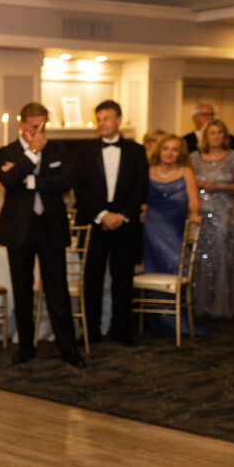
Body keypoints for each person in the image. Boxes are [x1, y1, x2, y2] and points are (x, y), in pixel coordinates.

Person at [0, 102, 85, 368]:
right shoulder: (5, 152)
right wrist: (32, 154)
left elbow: (66, 180)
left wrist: (31, 180)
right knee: (22, 291)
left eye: (44, 126)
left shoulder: (59, 150)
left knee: (57, 290)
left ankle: (68, 348)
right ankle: (25, 347)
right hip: (19, 230)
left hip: (51, 228)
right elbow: (9, 181)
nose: (40, 131)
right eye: (34, 127)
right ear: (22, 125)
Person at [68, 99, 149, 346]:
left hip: (125, 225)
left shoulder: (136, 151)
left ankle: (122, 330)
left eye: (107, 118)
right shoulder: (82, 152)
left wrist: (121, 216)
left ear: (118, 120)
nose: (102, 123)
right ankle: (91, 331)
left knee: (123, 279)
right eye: (99, 119)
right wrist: (103, 215)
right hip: (93, 225)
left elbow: (140, 188)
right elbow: (80, 189)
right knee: (91, 278)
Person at [142, 134, 201, 336]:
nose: (169, 153)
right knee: (153, 270)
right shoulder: (147, 171)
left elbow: (194, 202)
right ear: (159, 150)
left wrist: (194, 216)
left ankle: (177, 320)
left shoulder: (186, 172)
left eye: (175, 149)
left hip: (176, 230)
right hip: (150, 231)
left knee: (176, 270)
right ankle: (157, 321)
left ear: (180, 153)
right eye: (166, 148)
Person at [191, 118, 234, 318]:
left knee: (221, 256)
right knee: (199, 257)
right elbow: (185, 182)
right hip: (200, 213)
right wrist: (199, 185)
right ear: (205, 136)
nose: (215, 136)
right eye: (212, 132)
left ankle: (222, 305)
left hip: (224, 213)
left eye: (219, 132)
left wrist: (220, 186)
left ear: (225, 136)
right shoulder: (194, 158)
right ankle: (199, 304)